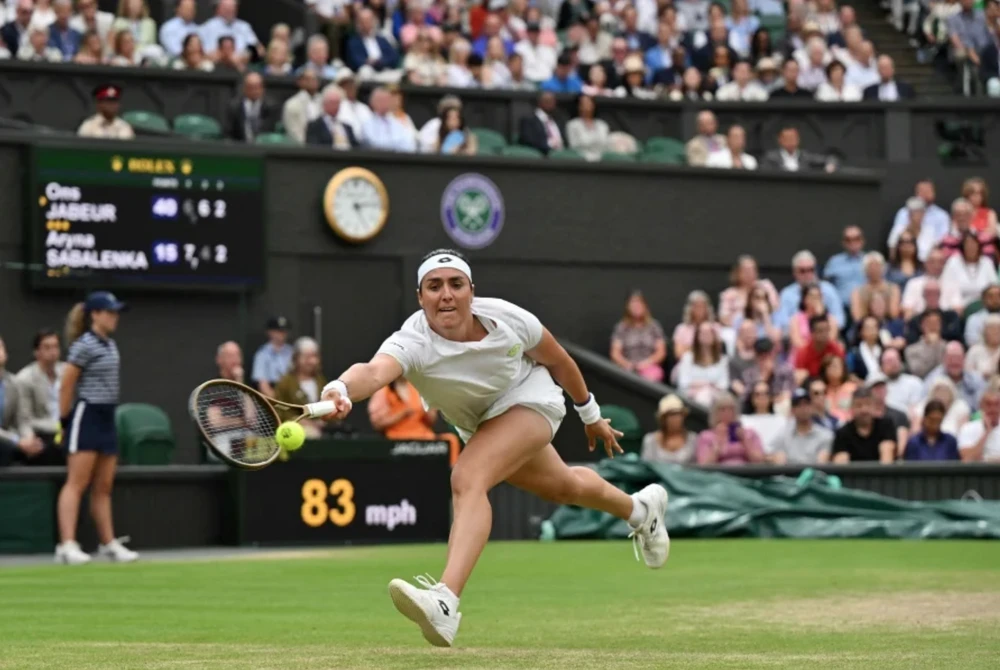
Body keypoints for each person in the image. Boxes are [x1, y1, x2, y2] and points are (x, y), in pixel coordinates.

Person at [318, 249, 670, 647]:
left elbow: (559, 360)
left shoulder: (509, 318)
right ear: (420, 297)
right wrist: (341, 388)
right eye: (434, 286)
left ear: (472, 291)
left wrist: (590, 415)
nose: (446, 294)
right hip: (483, 425)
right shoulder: (412, 340)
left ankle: (445, 602)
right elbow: (373, 371)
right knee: (564, 486)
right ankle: (641, 511)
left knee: (468, 477)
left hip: (532, 400)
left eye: (456, 284)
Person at [55, 291, 138, 565]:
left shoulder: (110, 345)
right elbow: (67, 384)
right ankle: (66, 545)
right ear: (95, 315)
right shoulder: (84, 345)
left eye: (116, 312)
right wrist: (64, 420)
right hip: (87, 414)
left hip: (107, 416)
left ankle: (108, 544)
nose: (115, 318)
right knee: (76, 483)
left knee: (103, 486)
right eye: (110, 312)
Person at [368, 378, 461, 465]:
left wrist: (427, 412)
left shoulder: (419, 388)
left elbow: (432, 420)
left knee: (451, 439)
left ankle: (451, 475)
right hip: (397, 438)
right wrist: (402, 414)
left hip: (423, 437)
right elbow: (377, 423)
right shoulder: (385, 390)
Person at [609, 290, 666, 382]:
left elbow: (661, 352)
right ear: (627, 307)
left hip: (649, 366)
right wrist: (627, 364)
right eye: (633, 303)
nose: (636, 306)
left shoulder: (654, 326)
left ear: (645, 305)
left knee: (653, 376)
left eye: (639, 303)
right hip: (626, 367)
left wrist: (645, 363)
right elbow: (615, 353)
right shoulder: (621, 327)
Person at [831, 387, 896, 463]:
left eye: (868, 404)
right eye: (859, 405)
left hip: (881, 473)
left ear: (874, 406)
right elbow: (841, 463)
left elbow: (887, 455)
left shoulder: (886, 425)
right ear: (852, 408)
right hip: (852, 474)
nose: (864, 410)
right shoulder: (842, 432)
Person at [770, 388, 833, 465]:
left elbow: (821, 466)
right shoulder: (782, 435)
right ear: (792, 410)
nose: (803, 408)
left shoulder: (825, 435)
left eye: (806, 404)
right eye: (798, 405)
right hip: (788, 476)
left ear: (812, 407)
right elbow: (780, 465)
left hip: (815, 476)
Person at [639, 394, 696, 464]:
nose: (676, 418)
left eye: (678, 414)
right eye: (671, 415)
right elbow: (646, 466)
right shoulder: (650, 440)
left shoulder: (694, 439)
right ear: (663, 419)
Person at [251, 316, 293, 398]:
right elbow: (262, 384)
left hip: (291, 392)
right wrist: (277, 401)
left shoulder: (292, 352)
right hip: (272, 394)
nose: (282, 334)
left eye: (284, 331)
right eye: (278, 331)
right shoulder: (262, 354)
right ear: (270, 332)